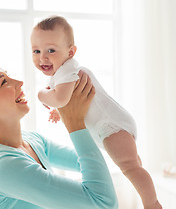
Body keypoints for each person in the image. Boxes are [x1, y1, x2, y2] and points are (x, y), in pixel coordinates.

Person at [31, 16, 162, 209]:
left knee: (130, 168)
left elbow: (61, 98)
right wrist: (59, 111)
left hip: (112, 126)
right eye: (36, 51)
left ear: (71, 52)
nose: (43, 57)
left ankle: (153, 204)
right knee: (134, 166)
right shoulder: (61, 73)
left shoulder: (68, 69)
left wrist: (41, 95)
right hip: (110, 126)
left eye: (51, 50)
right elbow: (68, 100)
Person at [0, 63, 118, 209]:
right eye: (4, 82)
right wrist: (75, 123)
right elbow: (104, 204)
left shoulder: (31, 140)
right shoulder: (2, 166)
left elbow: (90, 165)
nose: (19, 83)